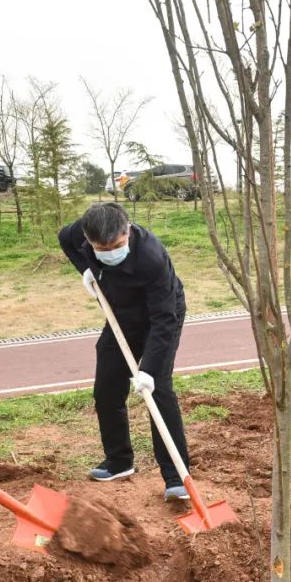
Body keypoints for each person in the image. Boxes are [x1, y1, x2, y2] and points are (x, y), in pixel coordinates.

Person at [59, 202, 191, 501]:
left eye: (117, 246)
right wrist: (88, 271)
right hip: (120, 315)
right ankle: (119, 462)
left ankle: (177, 476)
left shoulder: (151, 257)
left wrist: (149, 369)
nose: (110, 252)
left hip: (160, 316)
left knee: (158, 390)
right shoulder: (77, 234)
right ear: (88, 238)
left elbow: (164, 320)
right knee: (106, 387)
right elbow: (64, 240)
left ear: (127, 231)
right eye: (101, 248)